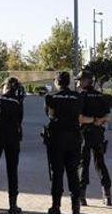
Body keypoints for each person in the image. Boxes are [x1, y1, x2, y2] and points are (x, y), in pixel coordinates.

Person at [42, 71, 83, 214]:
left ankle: (56, 206)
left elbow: (49, 114)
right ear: (69, 82)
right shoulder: (78, 97)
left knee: (57, 173)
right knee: (73, 173)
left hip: (57, 139)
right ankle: (75, 207)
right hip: (74, 138)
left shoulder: (51, 97)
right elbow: (80, 115)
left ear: (57, 82)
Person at [0, 76, 25, 214]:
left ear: (6, 87)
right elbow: (20, 120)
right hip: (12, 138)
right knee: (12, 171)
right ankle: (13, 205)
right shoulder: (18, 102)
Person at [77, 70, 112, 206]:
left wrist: (91, 120)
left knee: (83, 164)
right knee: (100, 164)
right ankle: (107, 195)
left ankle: (81, 196)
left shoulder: (81, 96)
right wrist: (99, 120)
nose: (79, 82)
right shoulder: (100, 96)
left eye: (81, 80)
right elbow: (108, 118)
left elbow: (79, 118)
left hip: (85, 134)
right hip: (99, 135)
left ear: (87, 81)